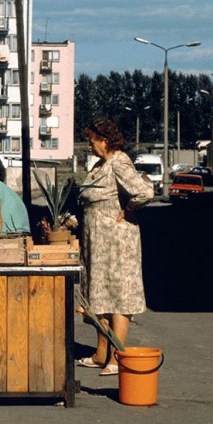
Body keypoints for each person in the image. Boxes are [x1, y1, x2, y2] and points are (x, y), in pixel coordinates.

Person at [77, 119, 153, 376]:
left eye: (92, 140)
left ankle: (116, 356)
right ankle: (101, 353)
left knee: (119, 297)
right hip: (98, 244)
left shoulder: (119, 162)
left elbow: (144, 193)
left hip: (117, 243)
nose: (89, 145)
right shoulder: (101, 165)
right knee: (100, 297)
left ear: (105, 140)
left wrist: (127, 210)